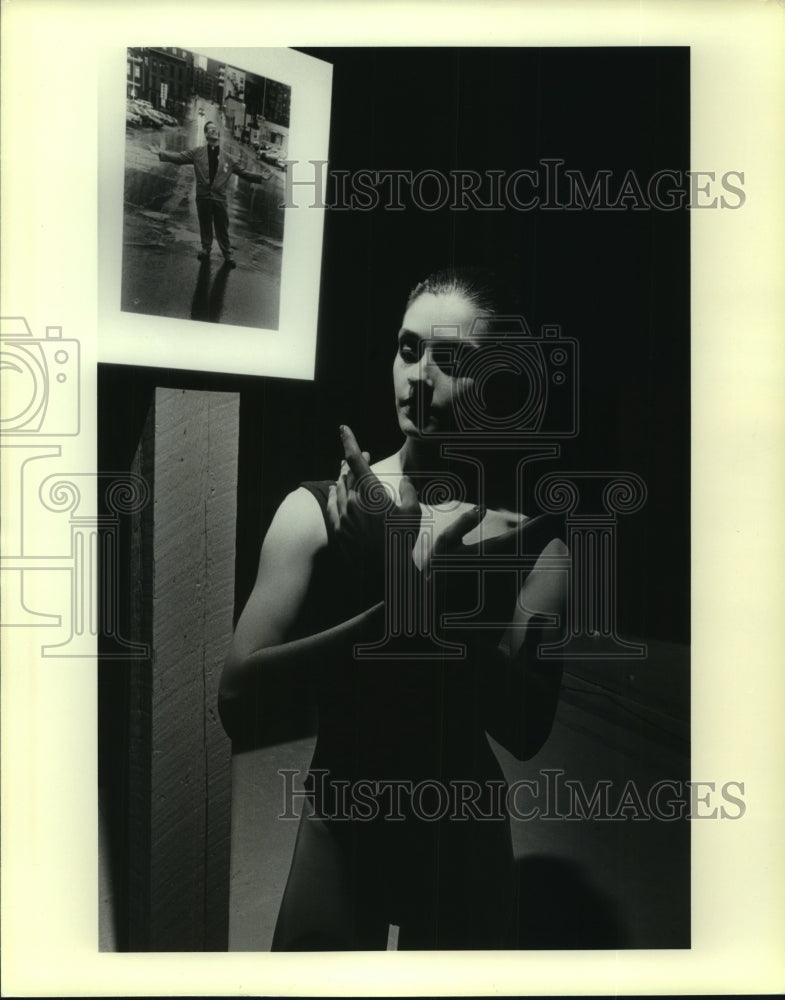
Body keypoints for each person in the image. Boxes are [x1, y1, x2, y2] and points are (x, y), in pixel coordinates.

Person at [218, 266, 569, 949]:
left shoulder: (533, 545)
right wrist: (397, 608)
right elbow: (236, 699)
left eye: (451, 360)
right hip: (342, 817)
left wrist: (412, 595)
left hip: (462, 833)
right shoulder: (318, 512)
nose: (419, 378)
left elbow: (525, 729)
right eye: (408, 349)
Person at [149, 121, 271, 267]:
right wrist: (161, 154)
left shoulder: (228, 158)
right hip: (203, 197)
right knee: (205, 224)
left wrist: (261, 177)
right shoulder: (197, 153)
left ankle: (227, 254)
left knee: (222, 227)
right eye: (210, 129)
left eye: (215, 129)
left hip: (219, 199)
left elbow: (243, 173)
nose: (214, 131)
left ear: (218, 134)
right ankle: (206, 249)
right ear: (206, 134)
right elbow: (179, 158)